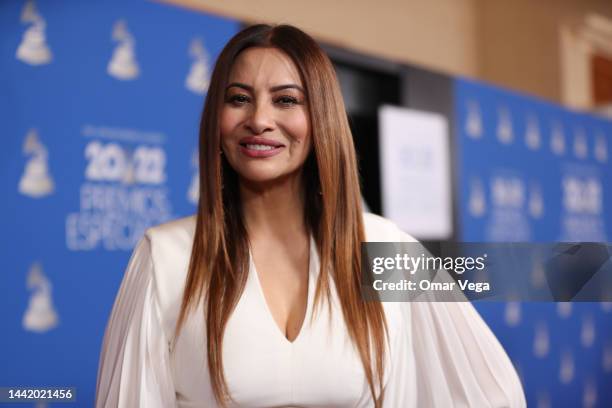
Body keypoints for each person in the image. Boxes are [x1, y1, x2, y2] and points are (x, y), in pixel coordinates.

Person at [95, 24, 525, 408]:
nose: (259, 119)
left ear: (321, 117)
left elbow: (490, 393)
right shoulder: (166, 257)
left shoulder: (382, 247)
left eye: (286, 100)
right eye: (239, 99)